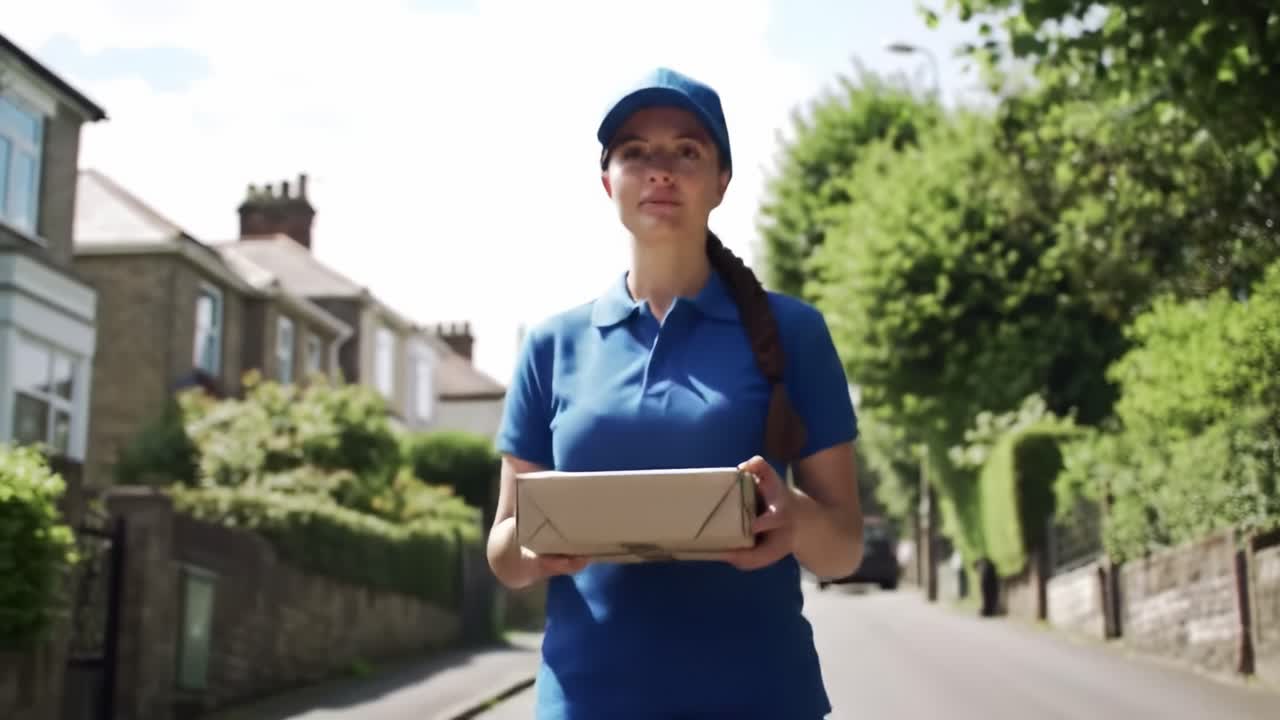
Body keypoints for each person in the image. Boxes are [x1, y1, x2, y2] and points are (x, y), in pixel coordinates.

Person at [487, 66, 865, 719]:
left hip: (760, 700)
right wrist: (537, 545)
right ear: (608, 182)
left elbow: (845, 546)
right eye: (636, 152)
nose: (661, 169)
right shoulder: (551, 345)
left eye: (687, 151)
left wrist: (792, 517)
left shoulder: (795, 333)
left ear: (722, 181)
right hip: (586, 703)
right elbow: (502, 549)